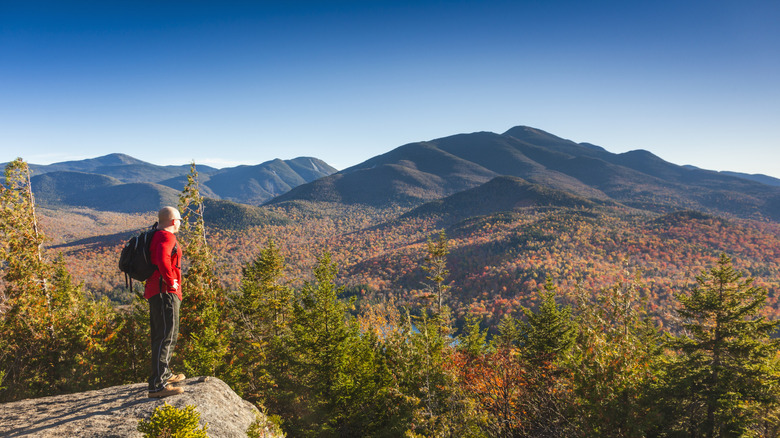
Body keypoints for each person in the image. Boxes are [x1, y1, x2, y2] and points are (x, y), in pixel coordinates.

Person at [146, 206, 186, 398]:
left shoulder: (155, 235)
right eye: (179, 220)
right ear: (173, 221)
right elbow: (163, 259)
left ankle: (164, 374)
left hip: (156, 291)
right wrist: (171, 282)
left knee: (161, 336)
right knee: (167, 335)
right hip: (164, 293)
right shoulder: (166, 237)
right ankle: (157, 385)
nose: (180, 223)